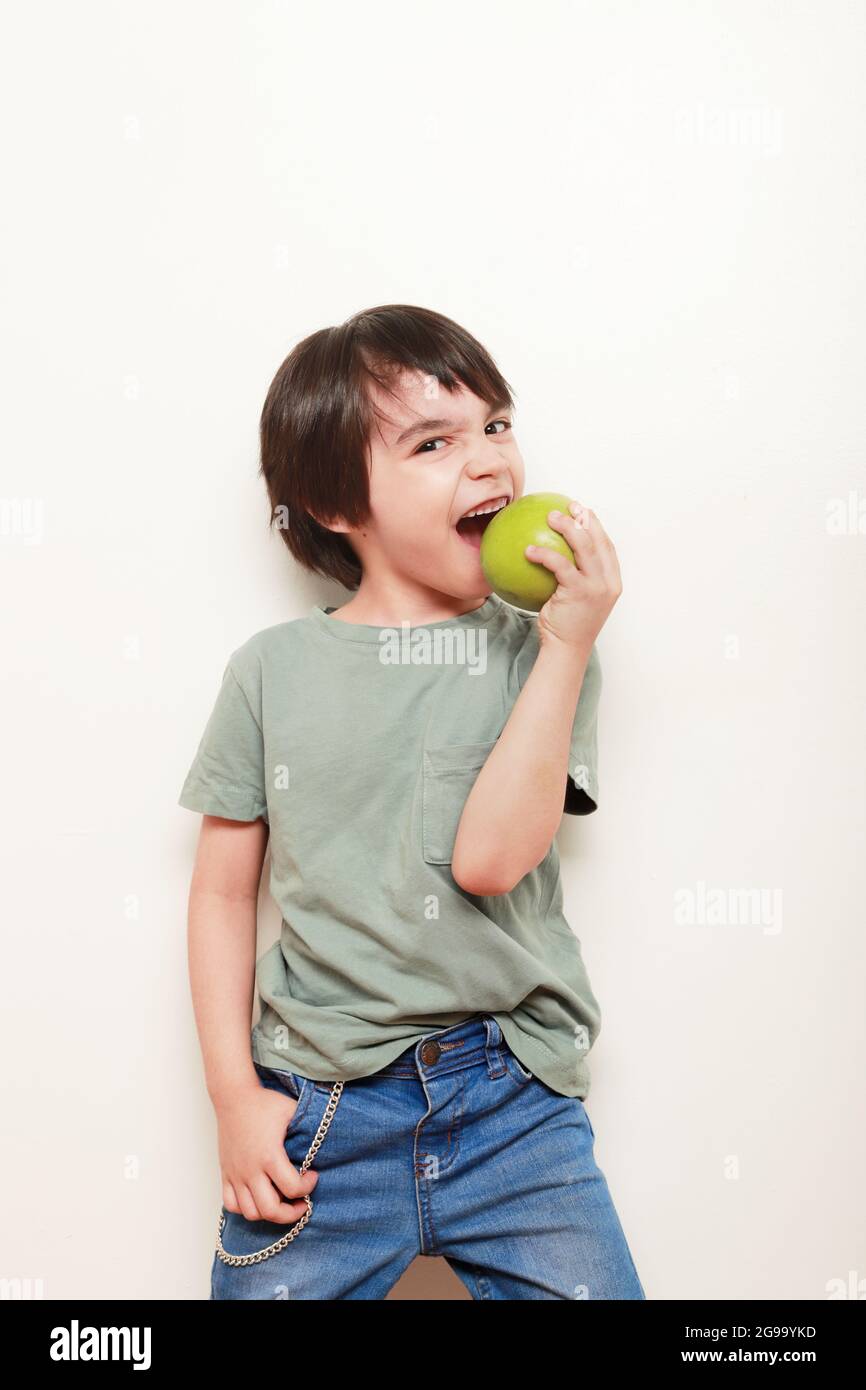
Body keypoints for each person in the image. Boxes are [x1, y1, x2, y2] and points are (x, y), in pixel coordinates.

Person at [177, 303, 645, 1300]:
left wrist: (564, 645)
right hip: (321, 1109)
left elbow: (486, 860)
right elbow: (221, 894)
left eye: (495, 424)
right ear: (335, 499)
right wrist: (231, 1095)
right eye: (432, 441)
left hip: (510, 1100)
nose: (487, 462)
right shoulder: (271, 672)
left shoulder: (542, 653)